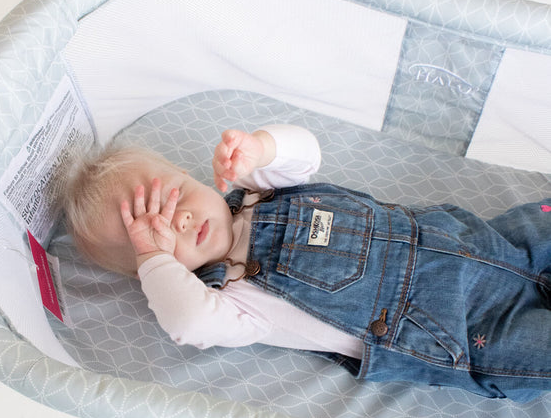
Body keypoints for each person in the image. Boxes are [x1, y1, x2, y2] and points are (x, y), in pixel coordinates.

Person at [63, 124, 551, 400]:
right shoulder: (236, 301)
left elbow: (307, 153)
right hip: (468, 333)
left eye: (177, 197)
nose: (185, 218)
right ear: (155, 275)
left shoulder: (261, 190)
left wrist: (259, 147)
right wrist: (154, 257)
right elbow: (186, 320)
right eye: (160, 231)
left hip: (489, 242)